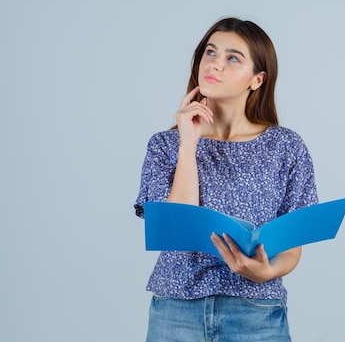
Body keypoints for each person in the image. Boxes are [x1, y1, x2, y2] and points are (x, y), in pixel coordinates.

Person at [134, 17, 318, 341]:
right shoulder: (164, 146)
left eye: (233, 58)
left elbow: (292, 243)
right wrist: (188, 143)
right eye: (210, 52)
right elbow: (175, 230)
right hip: (176, 312)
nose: (215, 64)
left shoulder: (287, 147)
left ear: (257, 79)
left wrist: (268, 271)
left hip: (256, 313)